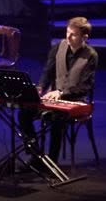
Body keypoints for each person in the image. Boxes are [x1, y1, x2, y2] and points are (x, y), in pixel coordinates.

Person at [25, 16, 97, 164]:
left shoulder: (91, 55)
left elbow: (85, 86)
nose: (68, 37)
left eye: (73, 34)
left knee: (56, 119)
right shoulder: (58, 47)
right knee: (24, 114)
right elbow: (47, 72)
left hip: (75, 100)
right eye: (67, 32)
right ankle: (35, 155)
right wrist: (40, 88)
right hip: (54, 97)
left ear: (84, 37)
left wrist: (62, 93)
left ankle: (52, 162)